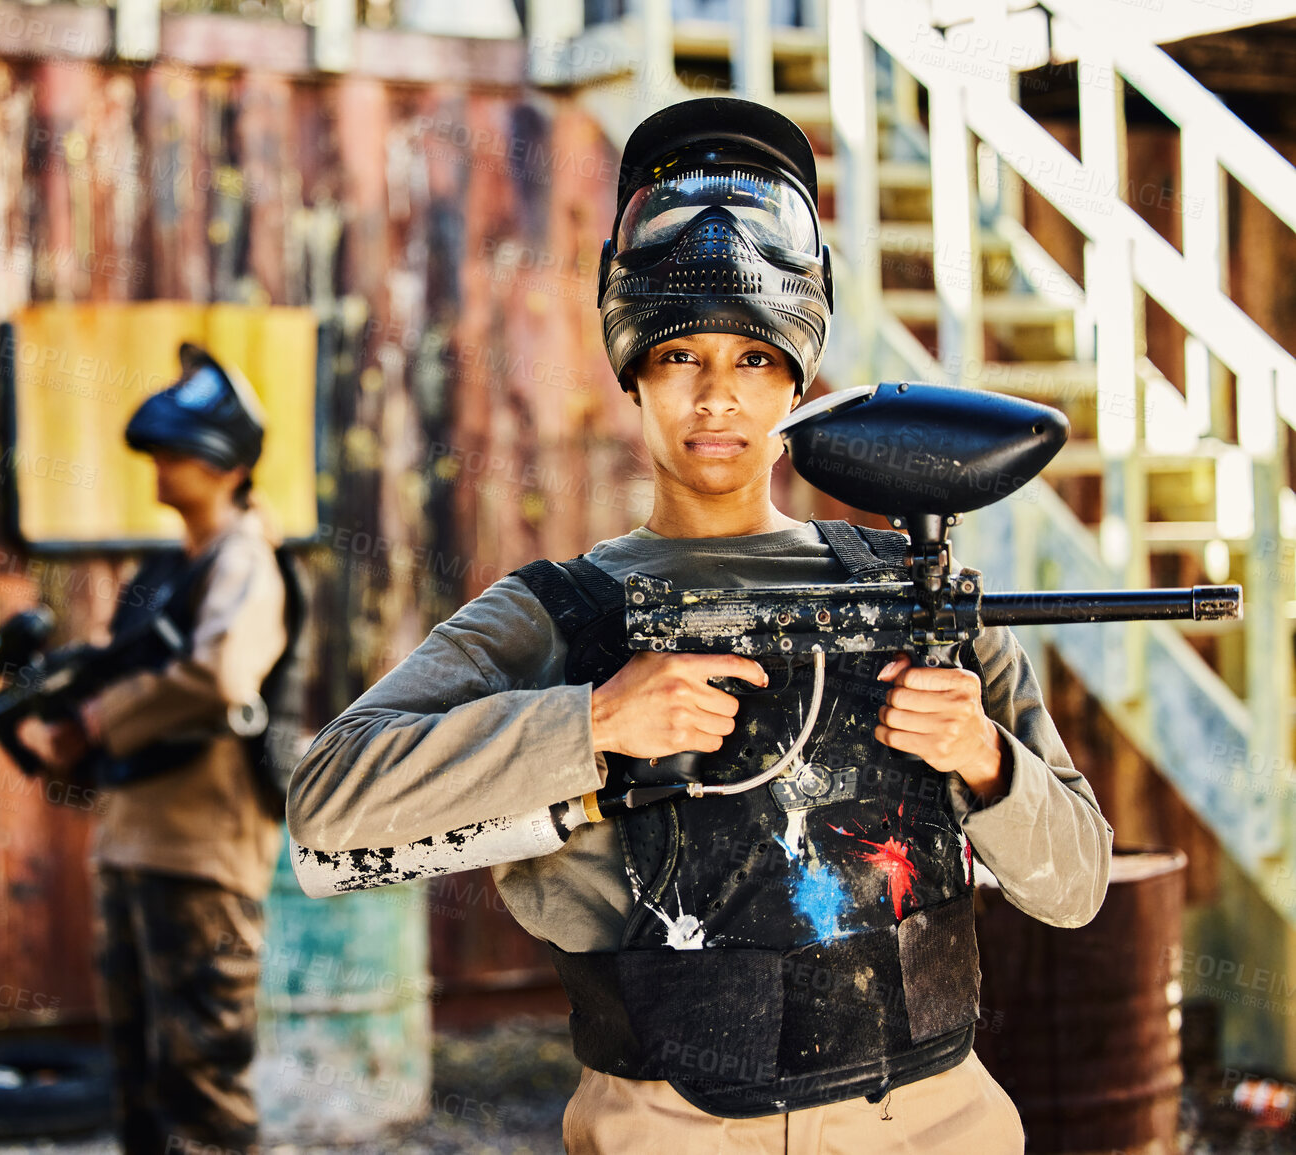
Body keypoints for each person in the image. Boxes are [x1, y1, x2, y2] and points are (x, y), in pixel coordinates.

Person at [289, 97, 1112, 1152]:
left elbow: (1079, 886)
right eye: (682, 358)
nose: (718, 398)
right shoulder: (560, 616)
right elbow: (326, 813)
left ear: (799, 380)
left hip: (934, 1122)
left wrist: (988, 760)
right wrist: (591, 724)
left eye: (756, 361)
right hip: (672, 1125)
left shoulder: (910, 600)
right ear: (632, 371)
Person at [18, 343, 289, 1155]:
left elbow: (219, 675)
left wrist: (99, 719)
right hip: (133, 845)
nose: (159, 467)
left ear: (223, 464)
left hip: (201, 856)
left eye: (175, 451)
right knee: (139, 1091)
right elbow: (110, 665)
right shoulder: (167, 571)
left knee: (201, 1091)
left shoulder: (245, 559)